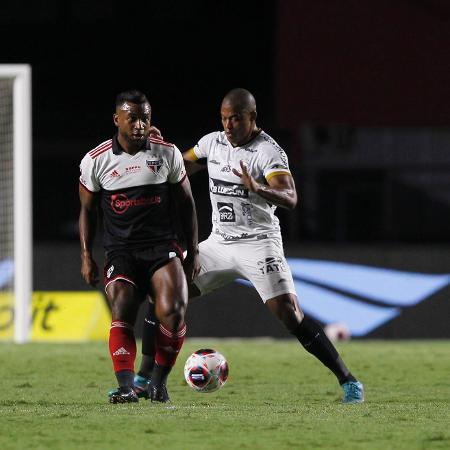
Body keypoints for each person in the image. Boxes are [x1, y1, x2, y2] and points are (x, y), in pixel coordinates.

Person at [128, 88, 364, 404]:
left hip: (260, 245)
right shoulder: (212, 143)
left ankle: (349, 382)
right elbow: (178, 169)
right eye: (224, 118)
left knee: (290, 316)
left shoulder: (268, 152)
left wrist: (259, 187)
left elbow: (290, 197)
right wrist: (159, 149)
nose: (229, 125)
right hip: (219, 243)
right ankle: (143, 378)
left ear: (252, 117)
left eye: (236, 118)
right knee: (162, 294)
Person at [79, 89, 200, 404]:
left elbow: (187, 204)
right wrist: (86, 256)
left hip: (162, 247)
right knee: (122, 304)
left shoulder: (167, 153)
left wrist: (193, 251)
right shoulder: (96, 160)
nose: (139, 125)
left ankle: (157, 383)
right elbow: (87, 211)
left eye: (145, 118)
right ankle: (125, 386)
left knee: (173, 312)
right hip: (121, 251)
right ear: (116, 119)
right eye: (132, 118)